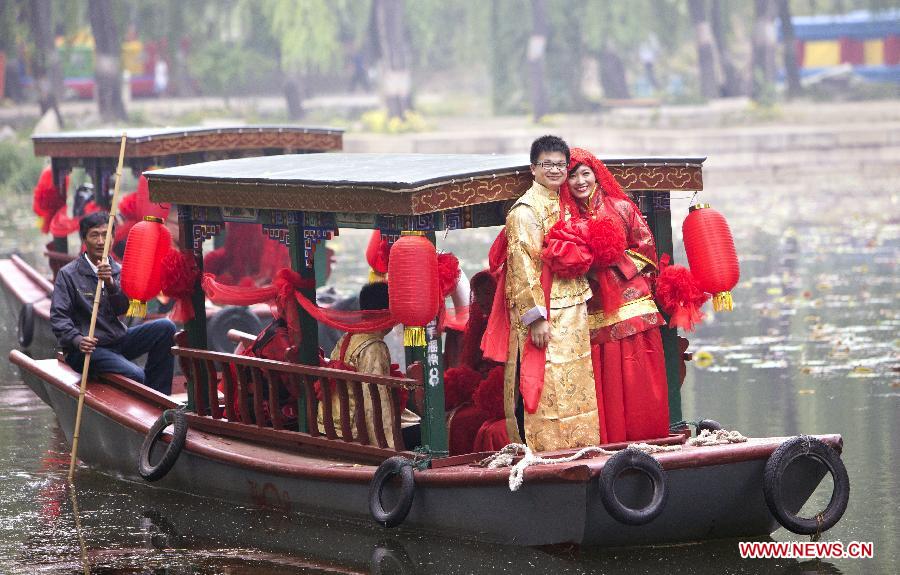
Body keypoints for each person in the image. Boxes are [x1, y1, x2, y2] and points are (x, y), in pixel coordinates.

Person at [562, 147, 669, 442]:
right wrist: (588, 266)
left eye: (586, 174)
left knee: (639, 381)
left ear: (596, 175)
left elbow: (647, 249)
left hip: (633, 303)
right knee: (605, 380)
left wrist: (613, 263)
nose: (581, 181)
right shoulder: (566, 219)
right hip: (594, 310)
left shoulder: (622, 207)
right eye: (573, 176)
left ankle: (649, 438)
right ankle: (613, 442)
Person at [501, 135, 600, 452]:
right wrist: (535, 319)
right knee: (549, 384)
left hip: (574, 306)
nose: (556, 170)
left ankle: (583, 446)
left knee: (578, 381)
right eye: (548, 164)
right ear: (534, 168)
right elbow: (523, 268)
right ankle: (548, 450)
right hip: (547, 313)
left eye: (561, 164)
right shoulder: (524, 211)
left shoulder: (566, 204)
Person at [50, 211, 176, 395]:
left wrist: (110, 284)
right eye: (94, 235)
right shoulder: (69, 274)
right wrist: (77, 340)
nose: (101, 241)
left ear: (113, 238)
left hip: (117, 340)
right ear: (84, 239)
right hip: (86, 349)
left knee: (166, 327)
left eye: (105, 235)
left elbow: (123, 309)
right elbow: (58, 317)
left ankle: (160, 397)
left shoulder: (119, 270)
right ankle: (147, 392)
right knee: (136, 375)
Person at [321, 282, 420, 448]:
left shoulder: (348, 336)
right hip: (355, 429)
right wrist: (388, 447)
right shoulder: (374, 347)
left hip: (333, 422)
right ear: (387, 312)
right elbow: (375, 399)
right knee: (425, 433)